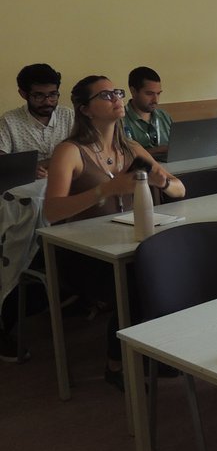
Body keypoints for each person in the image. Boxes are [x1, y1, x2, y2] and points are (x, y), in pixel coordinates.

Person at [44, 75, 185, 389]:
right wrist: (105, 189)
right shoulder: (69, 151)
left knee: (174, 268)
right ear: (85, 109)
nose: (116, 98)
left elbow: (179, 188)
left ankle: (157, 349)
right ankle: (116, 363)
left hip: (129, 245)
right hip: (83, 255)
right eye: (105, 95)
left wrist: (161, 181)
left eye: (117, 92)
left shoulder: (131, 148)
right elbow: (51, 211)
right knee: (139, 283)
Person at [0, 63, 74, 178]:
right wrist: (26, 172)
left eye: (53, 95)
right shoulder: (9, 121)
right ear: (23, 94)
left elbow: (84, 153)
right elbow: (3, 165)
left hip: (65, 186)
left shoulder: (68, 115)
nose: (48, 102)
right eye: (39, 96)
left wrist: (36, 165)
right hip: (23, 191)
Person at [123, 66, 172, 156]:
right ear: (133, 91)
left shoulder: (164, 116)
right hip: (138, 169)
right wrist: (156, 151)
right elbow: (120, 157)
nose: (155, 100)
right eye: (149, 94)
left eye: (158, 93)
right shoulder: (119, 120)